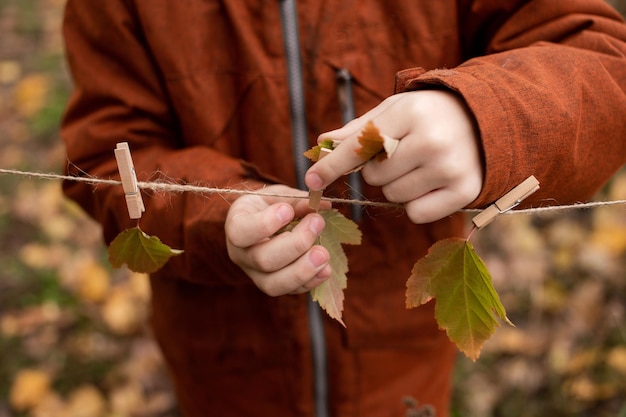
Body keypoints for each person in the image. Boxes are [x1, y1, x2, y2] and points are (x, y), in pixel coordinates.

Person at [60, 1, 626, 416]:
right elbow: (102, 157)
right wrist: (217, 215)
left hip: (401, 365)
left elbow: (602, 63)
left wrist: (485, 116)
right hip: (224, 367)